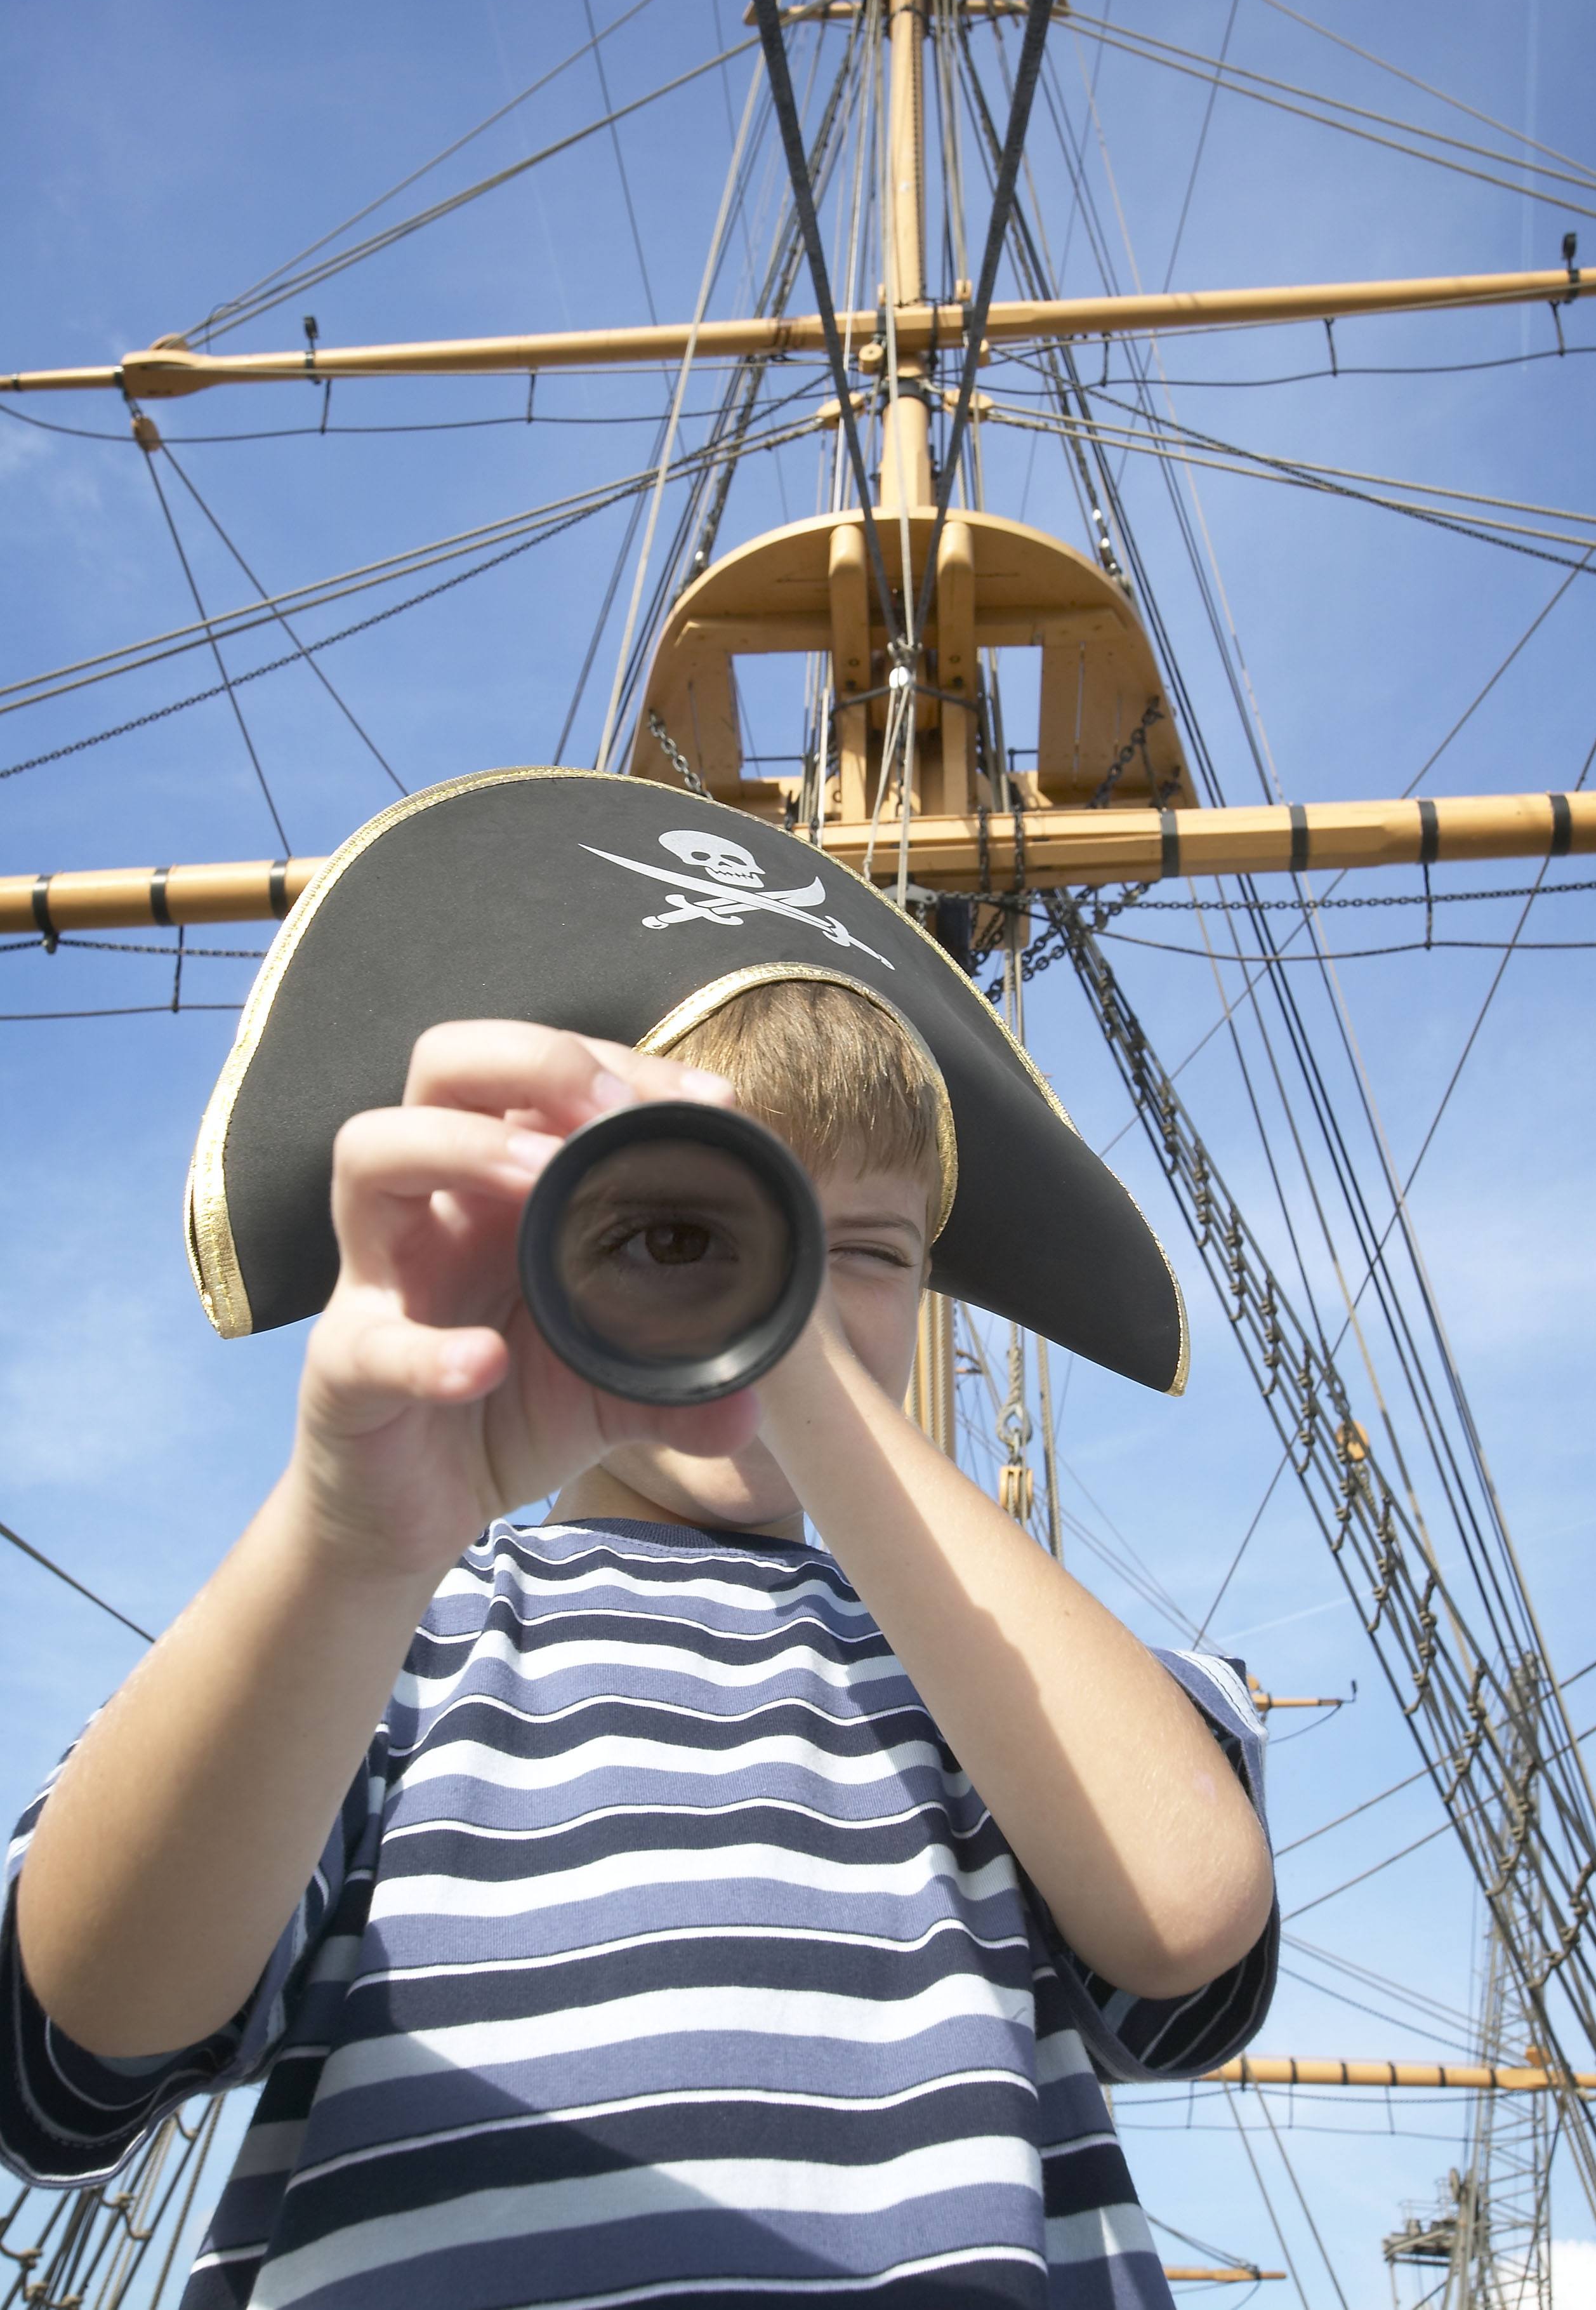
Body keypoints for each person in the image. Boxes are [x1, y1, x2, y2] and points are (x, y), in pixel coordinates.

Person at [3, 976, 1274, 2310]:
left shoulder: (996, 1682)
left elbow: (1185, 1922)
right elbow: (77, 2044)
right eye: (682, 1235)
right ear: (546, 1250)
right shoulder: (384, 1645)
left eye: (874, 1255)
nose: (780, 1294)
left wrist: (797, 1365)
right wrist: (342, 1544)